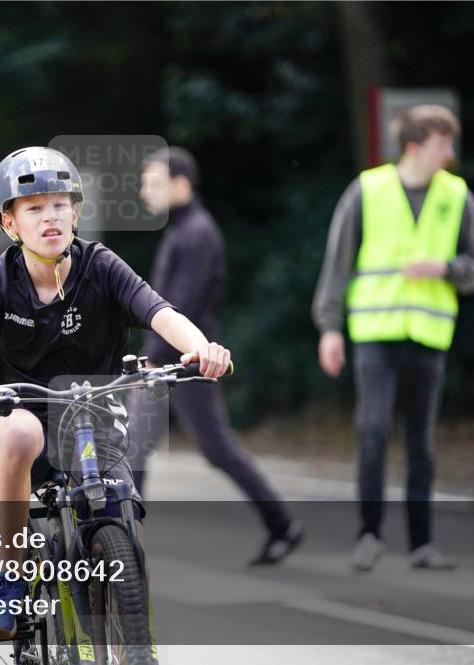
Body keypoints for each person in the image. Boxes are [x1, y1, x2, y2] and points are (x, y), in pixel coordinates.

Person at [0, 146, 231, 640]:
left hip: (92, 410)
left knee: (122, 507)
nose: (50, 216)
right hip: (14, 414)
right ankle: (12, 574)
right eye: (33, 208)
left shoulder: (102, 265)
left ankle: (135, 635)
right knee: (24, 431)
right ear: (10, 225)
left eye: (59, 204)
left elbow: (158, 312)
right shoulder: (0, 279)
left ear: (76, 212)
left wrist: (201, 349)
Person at [312, 105, 474, 571]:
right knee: (371, 432)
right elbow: (338, 263)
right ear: (415, 146)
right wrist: (330, 327)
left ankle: (421, 544)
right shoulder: (367, 190)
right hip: (375, 335)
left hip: (429, 336)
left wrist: (445, 268)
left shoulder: (458, 196)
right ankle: (369, 534)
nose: (450, 154)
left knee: (421, 443)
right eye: (442, 144)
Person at [133, 146, 302, 565]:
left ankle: (282, 524)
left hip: (188, 362)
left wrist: (153, 360)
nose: (144, 193)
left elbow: (180, 305)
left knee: (212, 448)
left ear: (181, 184)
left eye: (153, 184)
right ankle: (125, 543)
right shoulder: (183, 230)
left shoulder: (198, 233)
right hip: (175, 360)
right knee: (136, 447)